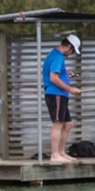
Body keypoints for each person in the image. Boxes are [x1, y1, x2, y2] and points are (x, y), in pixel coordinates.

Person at [43, 35, 82, 163]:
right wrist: (70, 89)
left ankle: (61, 152)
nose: (71, 54)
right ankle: (54, 155)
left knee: (68, 124)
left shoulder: (55, 56)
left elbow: (57, 74)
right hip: (56, 94)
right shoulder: (58, 56)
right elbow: (53, 78)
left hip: (61, 94)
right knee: (58, 123)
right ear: (69, 46)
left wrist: (66, 74)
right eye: (72, 51)